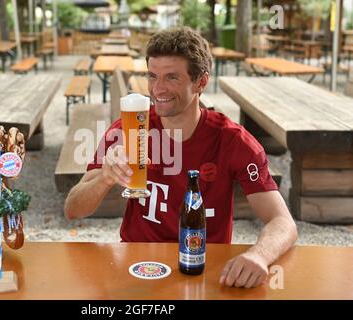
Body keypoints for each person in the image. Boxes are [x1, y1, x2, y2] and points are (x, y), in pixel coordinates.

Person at [64, 27, 298, 289]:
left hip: (203, 268)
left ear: (201, 82)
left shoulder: (234, 141)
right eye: (152, 76)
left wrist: (259, 255)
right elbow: (73, 209)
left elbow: (283, 222)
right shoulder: (128, 129)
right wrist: (104, 179)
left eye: (172, 77)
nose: (157, 88)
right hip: (139, 265)